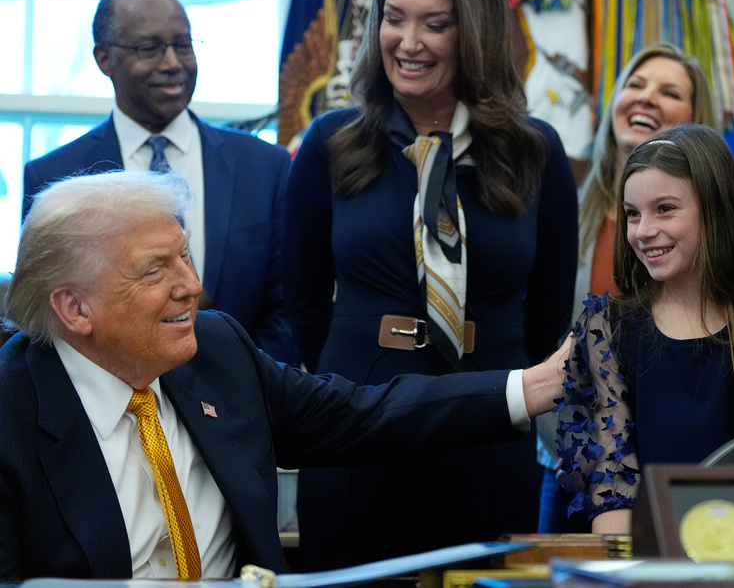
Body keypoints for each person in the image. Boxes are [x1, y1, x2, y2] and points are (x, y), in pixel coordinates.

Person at [0, 171, 566, 582]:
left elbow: (358, 417)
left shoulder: (216, 351)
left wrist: (535, 385)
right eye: (155, 270)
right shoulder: (12, 412)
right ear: (74, 309)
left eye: (184, 257)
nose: (190, 286)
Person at [283, 0, 577, 569]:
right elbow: (299, 297)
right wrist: (346, 377)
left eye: (434, 24)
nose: (407, 42)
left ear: (472, 33)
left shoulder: (536, 151)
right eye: (393, 19)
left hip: (492, 421)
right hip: (355, 422)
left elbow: (552, 307)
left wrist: (506, 374)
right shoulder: (331, 142)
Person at [556, 125, 734, 535]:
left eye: (665, 209)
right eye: (632, 213)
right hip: (636, 556)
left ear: (715, 210)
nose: (643, 230)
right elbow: (614, 483)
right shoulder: (608, 327)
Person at [21, 0, 297, 367]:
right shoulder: (56, 176)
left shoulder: (264, 166)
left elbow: (288, 306)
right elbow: (52, 317)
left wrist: (246, 385)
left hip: (242, 404)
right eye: (149, 48)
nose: (172, 63)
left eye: (183, 45)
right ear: (104, 58)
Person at [536, 43, 715, 532]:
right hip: (569, 465)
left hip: (674, 468)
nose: (646, 98)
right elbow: (541, 338)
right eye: (635, 85)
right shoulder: (566, 214)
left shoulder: (713, 233)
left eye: (669, 92)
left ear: (695, 118)